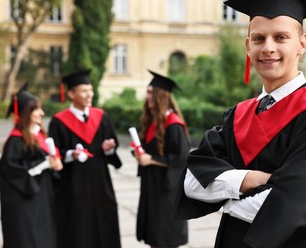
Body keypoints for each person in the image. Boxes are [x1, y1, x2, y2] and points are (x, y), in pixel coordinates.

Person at [175, 0, 306, 247]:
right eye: (259, 38)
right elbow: (192, 182)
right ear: (248, 46)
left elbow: (299, 203)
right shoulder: (237, 116)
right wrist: (248, 180)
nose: (268, 48)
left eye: (281, 37)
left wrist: (226, 198)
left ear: (302, 44)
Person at [48, 69, 122, 248]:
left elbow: (113, 148)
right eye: (84, 91)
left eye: (91, 90)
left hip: (100, 184)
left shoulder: (101, 117)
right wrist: (69, 155)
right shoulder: (58, 122)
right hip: (72, 186)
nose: (90, 94)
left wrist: (109, 149)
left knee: (104, 222)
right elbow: (53, 152)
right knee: (77, 227)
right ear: (71, 93)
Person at [0, 83, 63, 248]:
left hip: (41, 198)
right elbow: (11, 170)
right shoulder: (15, 141)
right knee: (26, 240)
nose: (42, 113)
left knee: (43, 237)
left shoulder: (40, 135)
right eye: (37, 110)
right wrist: (44, 164)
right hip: (23, 203)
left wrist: (55, 164)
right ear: (26, 113)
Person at [133, 70, 190, 248]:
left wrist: (150, 160)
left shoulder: (173, 124)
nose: (146, 96)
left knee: (164, 236)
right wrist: (139, 153)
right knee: (154, 236)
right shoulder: (153, 121)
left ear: (160, 96)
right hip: (152, 186)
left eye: (150, 92)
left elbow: (181, 158)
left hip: (167, 190)